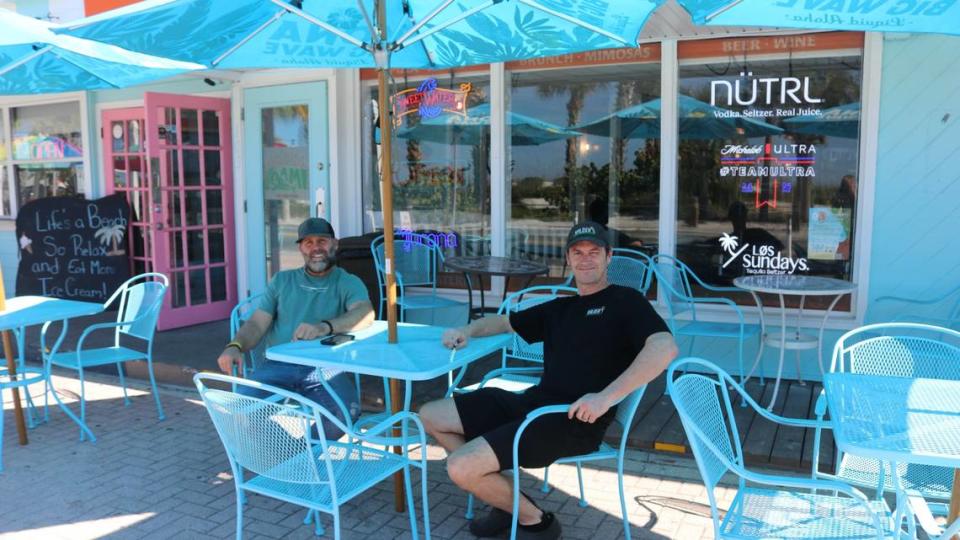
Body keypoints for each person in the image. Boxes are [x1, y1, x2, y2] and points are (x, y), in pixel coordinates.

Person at [419, 221, 678, 539]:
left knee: (460, 466)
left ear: (609, 257)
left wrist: (605, 398)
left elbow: (665, 347)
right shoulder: (562, 307)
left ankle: (537, 522)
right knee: (431, 414)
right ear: (568, 259)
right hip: (533, 402)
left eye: (594, 252)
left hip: (571, 421)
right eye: (577, 252)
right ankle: (503, 498)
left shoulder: (625, 302)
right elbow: (504, 322)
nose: (585, 259)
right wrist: (467, 331)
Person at [216, 217, 375, 439]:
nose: (316, 248)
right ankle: (291, 455)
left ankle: (303, 455)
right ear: (300, 248)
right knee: (240, 408)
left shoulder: (347, 281)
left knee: (346, 413)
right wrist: (235, 345)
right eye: (308, 243)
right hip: (278, 364)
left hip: (326, 367)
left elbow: (365, 314)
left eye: (322, 241)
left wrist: (324, 327)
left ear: (335, 244)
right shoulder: (282, 280)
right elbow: (256, 323)